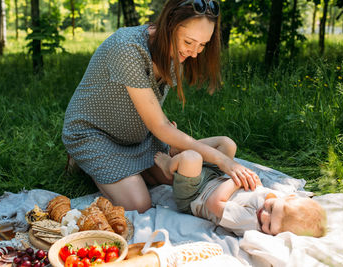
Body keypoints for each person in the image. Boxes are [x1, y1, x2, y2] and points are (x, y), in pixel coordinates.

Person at [62, 0, 260, 213]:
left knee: (173, 178)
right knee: (138, 205)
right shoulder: (128, 48)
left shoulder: (174, 52)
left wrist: (166, 130)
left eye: (202, 45)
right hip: (95, 134)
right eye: (189, 42)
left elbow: (150, 110)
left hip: (140, 138)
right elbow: (159, 127)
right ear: (170, 25)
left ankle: (137, 170)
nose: (195, 53)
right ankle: (85, 163)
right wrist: (222, 161)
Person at [154, 136, 327, 237]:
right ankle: (180, 146)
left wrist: (235, 179)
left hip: (194, 195)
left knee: (192, 158)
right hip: (214, 178)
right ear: (287, 198)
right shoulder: (274, 198)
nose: (264, 216)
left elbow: (214, 203)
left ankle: (169, 166)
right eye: (272, 209)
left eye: (269, 226)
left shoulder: (250, 222)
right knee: (227, 144)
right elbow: (256, 189)